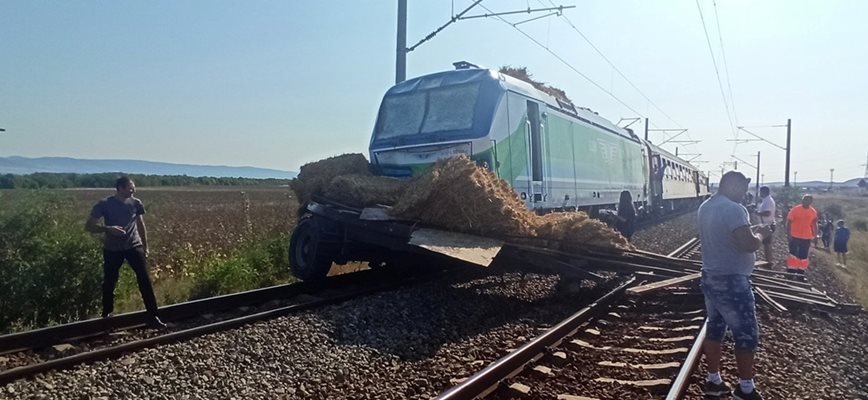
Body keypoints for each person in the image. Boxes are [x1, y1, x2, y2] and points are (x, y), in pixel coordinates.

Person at [698, 171, 771, 400]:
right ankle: (746, 389)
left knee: (716, 328)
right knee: (746, 334)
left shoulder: (706, 206)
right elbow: (748, 244)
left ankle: (713, 381)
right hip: (732, 281)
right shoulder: (733, 209)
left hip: (711, 276)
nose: (744, 192)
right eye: (742, 187)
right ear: (731, 185)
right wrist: (761, 234)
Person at [85, 176, 166, 328]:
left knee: (144, 280)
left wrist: (145, 246)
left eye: (133, 187)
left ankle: (153, 316)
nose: (133, 190)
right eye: (130, 188)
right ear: (120, 188)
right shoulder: (104, 204)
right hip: (112, 249)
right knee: (109, 282)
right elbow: (88, 226)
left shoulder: (136, 203)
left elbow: (141, 224)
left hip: (134, 246)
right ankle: (107, 315)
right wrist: (108, 229)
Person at [786, 195, 818, 275]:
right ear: (802, 200)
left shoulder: (812, 211)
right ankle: (791, 270)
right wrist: (789, 234)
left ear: (811, 202)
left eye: (808, 200)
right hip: (794, 236)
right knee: (793, 253)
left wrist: (815, 235)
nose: (805, 201)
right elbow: (789, 222)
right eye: (804, 199)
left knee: (803, 255)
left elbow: (814, 223)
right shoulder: (795, 210)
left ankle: (801, 271)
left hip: (806, 236)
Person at [755, 186, 776, 264]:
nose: (759, 194)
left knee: (767, 244)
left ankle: (769, 262)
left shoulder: (768, 201)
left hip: (767, 225)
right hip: (766, 224)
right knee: (766, 244)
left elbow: (768, 213)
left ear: (764, 192)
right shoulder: (766, 200)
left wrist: (757, 213)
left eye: (760, 192)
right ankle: (768, 261)